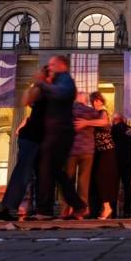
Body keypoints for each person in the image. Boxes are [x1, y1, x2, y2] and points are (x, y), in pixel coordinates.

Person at [33, 56, 87, 220]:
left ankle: (45, 210)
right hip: (53, 132)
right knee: (53, 170)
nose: (49, 67)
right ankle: (77, 205)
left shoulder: (65, 80)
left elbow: (63, 93)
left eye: (52, 64)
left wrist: (43, 84)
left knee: (47, 168)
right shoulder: (55, 82)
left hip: (60, 132)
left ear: (62, 65)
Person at [0, 66, 50, 221]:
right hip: (31, 137)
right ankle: (4, 208)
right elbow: (26, 100)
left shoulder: (47, 90)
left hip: (39, 138)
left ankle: (41, 209)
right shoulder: (41, 88)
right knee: (23, 173)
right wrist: (36, 82)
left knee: (40, 174)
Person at [66, 91, 101, 217]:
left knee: (67, 181)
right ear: (86, 100)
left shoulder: (68, 110)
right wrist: (89, 122)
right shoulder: (91, 112)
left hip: (71, 150)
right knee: (83, 183)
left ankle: (66, 209)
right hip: (87, 151)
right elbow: (105, 122)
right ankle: (82, 210)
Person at [87, 91, 119, 220]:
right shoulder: (97, 113)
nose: (94, 103)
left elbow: (104, 123)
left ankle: (107, 208)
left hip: (106, 151)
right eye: (93, 101)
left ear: (100, 101)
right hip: (99, 151)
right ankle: (97, 209)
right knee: (95, 180)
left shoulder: (103, 112)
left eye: (96, 100)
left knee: (102, 179)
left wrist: (86, 122)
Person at [111, 112, 131, 218]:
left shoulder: (114, 128)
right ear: (123, 120)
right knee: (127, 186)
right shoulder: (129, 129)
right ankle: (127, 211)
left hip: (117, 160)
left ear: (116, 119)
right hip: (129, 161)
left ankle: (113, 211)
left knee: (114, 186)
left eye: (113, 119)